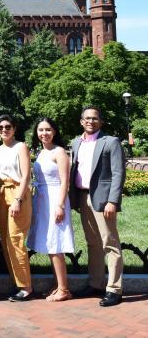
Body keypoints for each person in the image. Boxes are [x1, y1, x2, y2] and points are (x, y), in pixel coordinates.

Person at [69, 106, 125, 307]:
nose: (90, 121)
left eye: (94, 118)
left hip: (102, 200)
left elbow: (118, 173)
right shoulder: (76, 142)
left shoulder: (110, 142)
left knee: (109, 242)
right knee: (92, 243)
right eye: (87, 118)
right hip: (83, 198)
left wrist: (113, 201)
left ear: (100, 122)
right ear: (81, 121)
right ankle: (96, 283)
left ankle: (114, 289)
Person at [26, 117, 75, 301]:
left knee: (56, 244)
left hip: (55, 199)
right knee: (50, 243)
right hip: (41, 200)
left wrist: (60, 205)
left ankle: (64, 289)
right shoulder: (41, 152)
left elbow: (65, 182)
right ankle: (58, 285)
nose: (44, 133)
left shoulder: (60, 152)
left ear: (54, 132)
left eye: (48, 130)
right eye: (40, 130)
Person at [0, 114, 33, 302]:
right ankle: (16, 283)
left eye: (7, 127)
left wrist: (18, 199)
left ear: (14, 128)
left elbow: (25, 176)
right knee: (5, 241)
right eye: (0, 127)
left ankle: (26, 287)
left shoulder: (21, 147)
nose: (4, 130)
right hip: (1, 193)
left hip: (16, 192)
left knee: (16, 239)